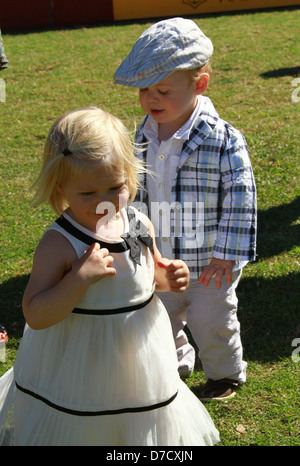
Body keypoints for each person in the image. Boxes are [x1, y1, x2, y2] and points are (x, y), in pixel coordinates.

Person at [0, 107, 219, 446]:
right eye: (88, 193)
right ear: (61, 186)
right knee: (87, 427)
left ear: (130, 176)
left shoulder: (138, 222)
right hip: (81, 365)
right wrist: (78, 280)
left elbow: (147, 276)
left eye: (116, 187)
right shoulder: (60, 243)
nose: (105, 202)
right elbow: (36, 313)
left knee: (137, 426)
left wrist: (169, 275)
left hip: (138, 361)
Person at [114, 17, 257, 401]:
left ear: (200, 84)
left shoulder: (224, 139)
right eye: (144, 90)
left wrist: (226, 255)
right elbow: (130, 193)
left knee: (213, 320)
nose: (151, 99)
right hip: (159, 259)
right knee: (157, 318)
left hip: (210, 262)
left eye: (163, 89)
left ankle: (224, 374)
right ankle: (174, 364)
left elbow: (242, 199)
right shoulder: (137, 137)